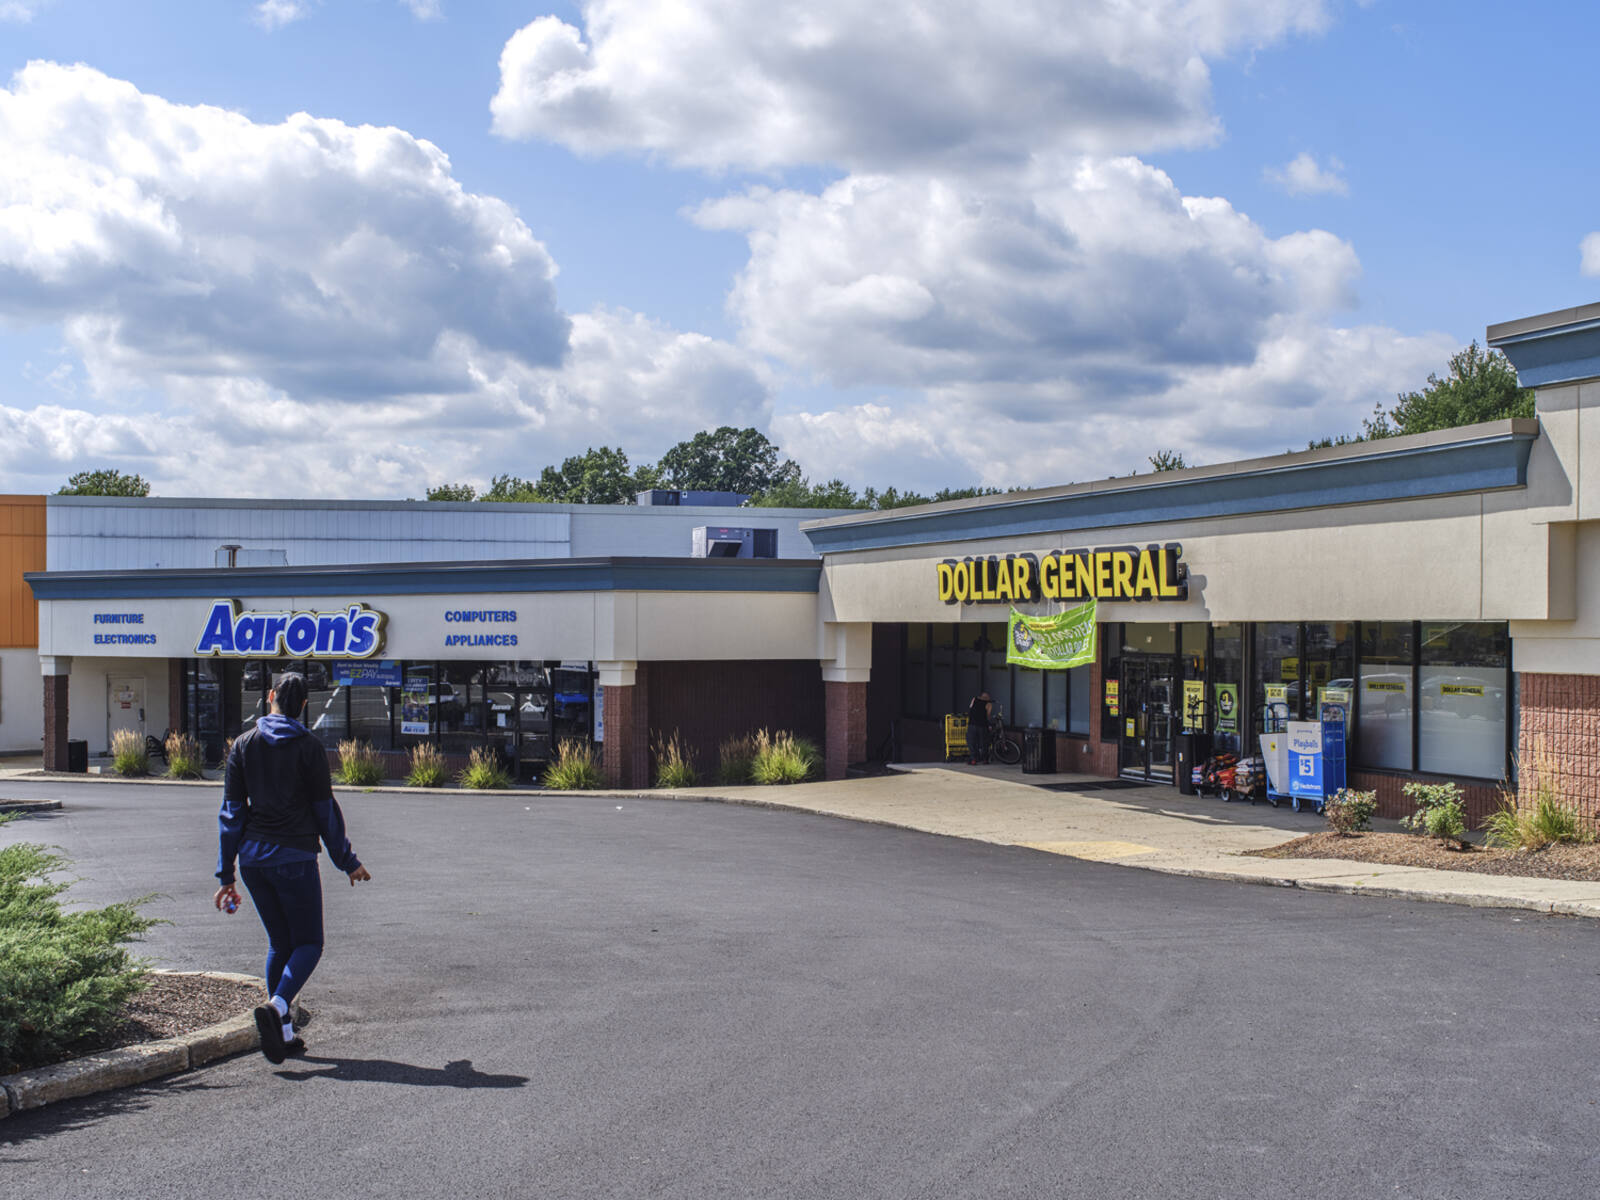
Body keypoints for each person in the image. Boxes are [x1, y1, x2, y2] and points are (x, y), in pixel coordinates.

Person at [213, 672, 372, 1064]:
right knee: (309, 943)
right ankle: (279, 1005)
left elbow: (231, 813)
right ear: (304, 706)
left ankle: (282, 1033)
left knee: (280, 944)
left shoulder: (244, 746)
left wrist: (226, 874)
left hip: (252, 861)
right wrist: (347, 861)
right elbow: (323, 810)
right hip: (294, 859)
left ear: (271, 697)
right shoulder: (308, 747)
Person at [966, 689, 992, 765]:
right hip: (982, 725)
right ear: (988, 697)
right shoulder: (989, 704)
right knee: (984, 742)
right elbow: (988, 715)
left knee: (972, 742)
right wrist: (989, 724)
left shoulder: (974, 699)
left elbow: (970, 708)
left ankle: (973, 759)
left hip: (972, 724)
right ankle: (985, 759)